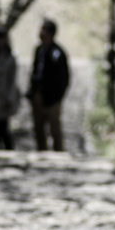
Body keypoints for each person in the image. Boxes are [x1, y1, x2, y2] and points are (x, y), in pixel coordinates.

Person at [27, 20, 70, 151]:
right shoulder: (38, 50)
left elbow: (64, 77)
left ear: (51, 33)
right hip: (38, 94)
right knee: (38, 128)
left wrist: (58, 96)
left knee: (55, 129)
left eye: (45, 30)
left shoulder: (58, 52)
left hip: (53, 98)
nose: (41, 33)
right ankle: (42, 154)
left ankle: (59, 155)